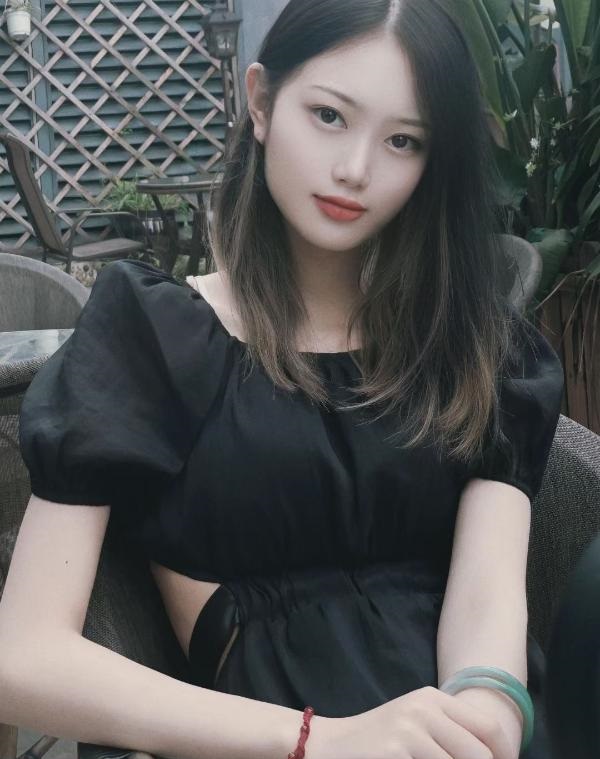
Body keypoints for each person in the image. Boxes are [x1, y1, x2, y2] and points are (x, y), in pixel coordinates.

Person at [0, 1, 564, 758]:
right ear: (261, 103)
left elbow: (488, 590)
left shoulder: (473, 345)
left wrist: (486, 709)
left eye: (402, 140)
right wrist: (320, 740)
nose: (355, 168)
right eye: (329, 116)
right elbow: (22, 657)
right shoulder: (158, 338)